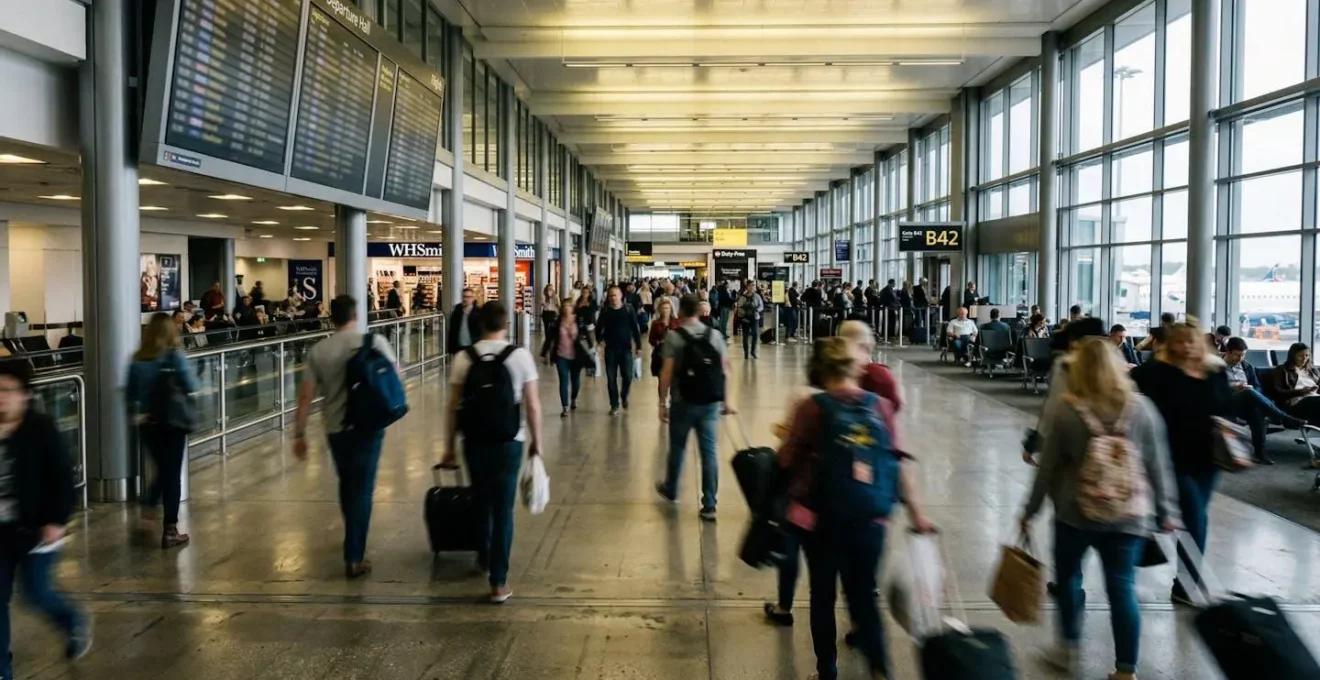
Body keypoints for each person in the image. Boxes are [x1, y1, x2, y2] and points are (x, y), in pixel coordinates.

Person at [1020, 337, 1178, 680]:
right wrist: (1166, 511)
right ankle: (1125, 669)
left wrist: (1029, 511)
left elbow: (1048, 470)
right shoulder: (1143, 409)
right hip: (1129, 517)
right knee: (1122, 588)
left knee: (1069, 579)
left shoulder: (1068, 410)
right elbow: (1158, 465)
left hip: (1074, 514)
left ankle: (1068, 647)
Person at [776, 337, 933, 680]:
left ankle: (827, 670)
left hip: (821, 520)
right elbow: (898, 462)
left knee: (822, 595)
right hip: (871, 519)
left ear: (822, 369)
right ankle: (880, 669)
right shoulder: (880, 407)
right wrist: (917, 513)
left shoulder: (813, 407)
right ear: (855, 368)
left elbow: (786, 459)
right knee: (863, 595)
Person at [293, 295, 400, 579]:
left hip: (336, 427)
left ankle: (352, 537)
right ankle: (354, 555)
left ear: (332, 318)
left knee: (347, 483)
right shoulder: (374, 342)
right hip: (368, 427)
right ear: (356, 316)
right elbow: (395, 376)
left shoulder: (319, 350)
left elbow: (306, 396)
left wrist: (299, 433)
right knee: (363, 489)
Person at [442, 302, 542, 604]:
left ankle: (484, 556)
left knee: (481, 500)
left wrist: (448, 446)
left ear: (479, 324)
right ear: (506, 325)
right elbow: (533, 404)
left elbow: (453, 406)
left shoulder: (464, 357)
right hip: (510, 441)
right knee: (503, 509)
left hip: (473, 440)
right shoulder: (520, 356)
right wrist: (538, 443)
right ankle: (498, 582)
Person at [1131, 322, 1233, 607]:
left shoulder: (1215, 372)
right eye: (1180, 341)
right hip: (1170, 458)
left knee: (1193, 515)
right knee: (1196, 516)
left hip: (1207, 459)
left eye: (1191, 341)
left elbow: (1227, 407)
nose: (1187, 346)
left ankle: (1142, 554)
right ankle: (1187, 584)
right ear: (1171, 344)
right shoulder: (1157, 372)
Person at [0, 359, 92, 676]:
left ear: (25, 395)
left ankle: (72, 621)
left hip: (36, 529)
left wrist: (55, 520)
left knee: (35, 593)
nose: (2, 397)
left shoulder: (40, 428)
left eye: (8, 390)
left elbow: (62, 478)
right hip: (0, 533)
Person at [656, 294, 734, 521]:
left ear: (680, 312)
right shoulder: (715, 336)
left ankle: (672, 489)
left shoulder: (674, 337)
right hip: (710, 403)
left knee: (678, 447)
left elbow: (667, 372)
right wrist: (727, 401)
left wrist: (662, 402)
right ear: (699, 312)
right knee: (709, 452)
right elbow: (726, 370)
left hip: (683, 401)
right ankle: (709, 504)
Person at [127, 312, 200, 548]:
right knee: (171, 476)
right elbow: (191, 386)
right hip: (173, 423)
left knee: (162, 470)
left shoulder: (137, 361)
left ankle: (147, 515)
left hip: (148, 424)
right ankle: (170, 529)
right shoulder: (174, 357)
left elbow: (130, 394)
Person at [1224, 337, 1301, 464]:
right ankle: (1283, 417)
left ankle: (1260, 454)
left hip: (1245, 402)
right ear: (1228, 352)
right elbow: (1212, 388)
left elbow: (1258, 387)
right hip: (1226, 401)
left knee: (1257, 411)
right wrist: (1233, 388)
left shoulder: (1247, 367)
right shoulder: (1216, 367)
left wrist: (1252, 390)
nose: (1240, 359)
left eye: (1243, 355)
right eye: (1237, 355)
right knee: (1248, 392)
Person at [596, 286, 643, 415]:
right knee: (611, 379)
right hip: (610, 350)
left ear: (621, 296)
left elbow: (635, 328)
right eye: (611, 295)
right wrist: (600, 340)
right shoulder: (605, 311)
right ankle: (614, 404)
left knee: (627, 376)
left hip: (625, 349)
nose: (613, 298)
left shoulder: (628, 309)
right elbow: (598, 328)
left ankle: (624, 395)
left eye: (615, 295)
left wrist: (639, 346)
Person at [1272, 342, 1320, 424]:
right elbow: (1277, 391)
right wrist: (1300, 392)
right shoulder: (1282, 369)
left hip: (1315, 397)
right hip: (1296, 401)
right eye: (1300, 356)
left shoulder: (1313, 370)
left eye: (1307, 355)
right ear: (1293, 356)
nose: (1304, 359)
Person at [648, 298, 681, 378]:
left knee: (674, 380)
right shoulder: (655, 323)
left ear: (670, 309)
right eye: (663, 308)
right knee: (662, 379)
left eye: (667, 308)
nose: (665, 310)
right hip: (661, 354)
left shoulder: (677, 322)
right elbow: (651, 339)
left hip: (674, 354)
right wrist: (659, 342)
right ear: (660, 310)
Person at [447, 288, 482, 356]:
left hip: (473, 347)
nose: (465, 299)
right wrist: (451, 349)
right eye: (464, 296)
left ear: (473, 298)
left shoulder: (478, 312)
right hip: (459, 348)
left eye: (468, 297)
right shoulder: (457, 311)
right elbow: (452, 331)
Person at [736, 282, 764, 359]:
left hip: (755, 318)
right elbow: (738, 307)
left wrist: (757, 310)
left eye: (753, 286)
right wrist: (744, 313)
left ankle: (753, 351)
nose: (751, 287)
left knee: (755, 334)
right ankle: (746, 353)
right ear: (747, 287)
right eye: (749, 286)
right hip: (745, 318)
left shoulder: (757, 296)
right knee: (745, 336)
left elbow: (761, 306)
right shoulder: (742, 297)